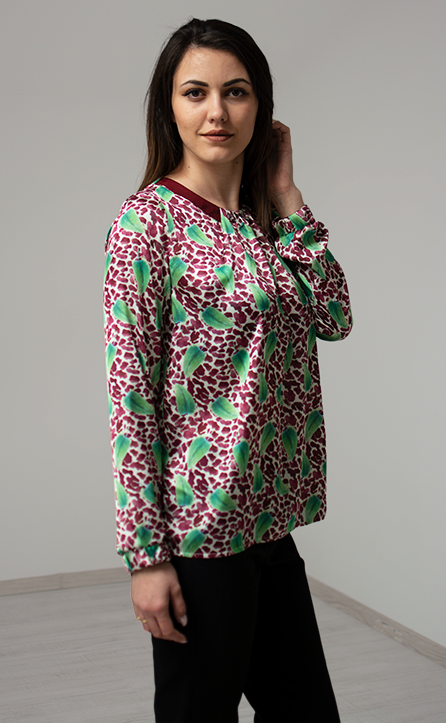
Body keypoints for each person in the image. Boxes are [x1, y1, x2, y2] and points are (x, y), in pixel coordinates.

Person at [104, 17, 352, 723]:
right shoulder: (145, 224)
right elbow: (130, 400)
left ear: (261, 106)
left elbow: (335, 316)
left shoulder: (263, 225)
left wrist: (289, 198)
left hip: (268, 525)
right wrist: (147, 557)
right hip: (199, 534)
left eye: (236, 92)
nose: (217, 111)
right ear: (170, 106)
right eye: (196, 92)